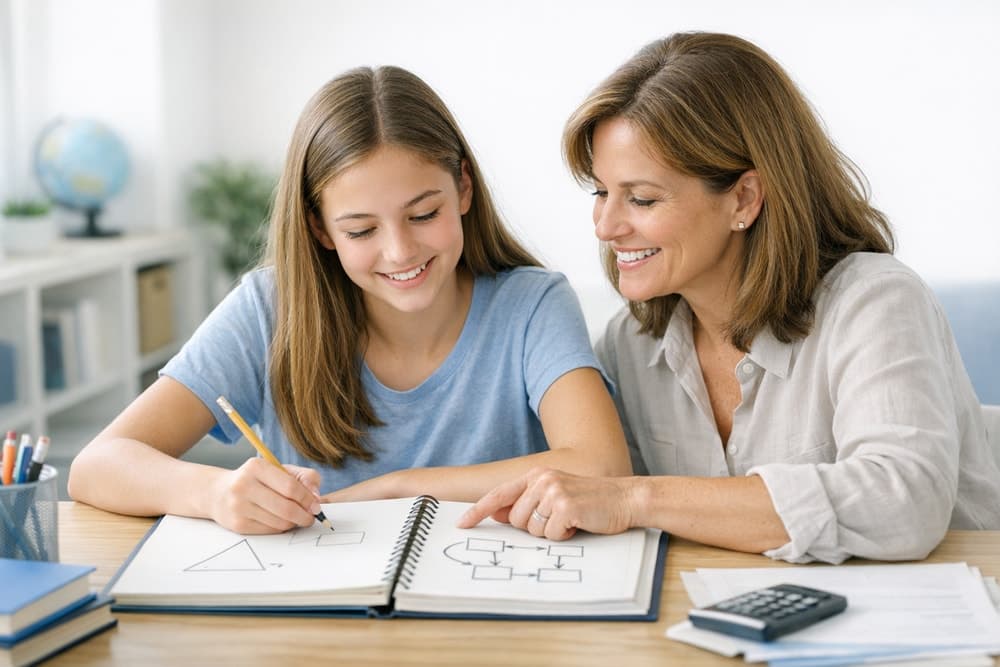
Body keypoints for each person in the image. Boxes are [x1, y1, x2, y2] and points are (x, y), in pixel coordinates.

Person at [459, 31, 1000, 563]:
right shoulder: (631, 345)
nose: (605, 226)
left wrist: (635, 499)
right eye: (602, 192)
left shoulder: (876, 302)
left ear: (743, 198)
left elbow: (903, 502)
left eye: (641, 198)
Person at [68, 66, 631, 535]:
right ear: (320, 228)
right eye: (361, 230)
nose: (400, 250)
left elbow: (602, 467)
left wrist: (399, 488)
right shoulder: (270, 309)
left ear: (462, 187)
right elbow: (96, 466)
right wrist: (214, 491)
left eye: (423, 214)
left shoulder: (532, 305)